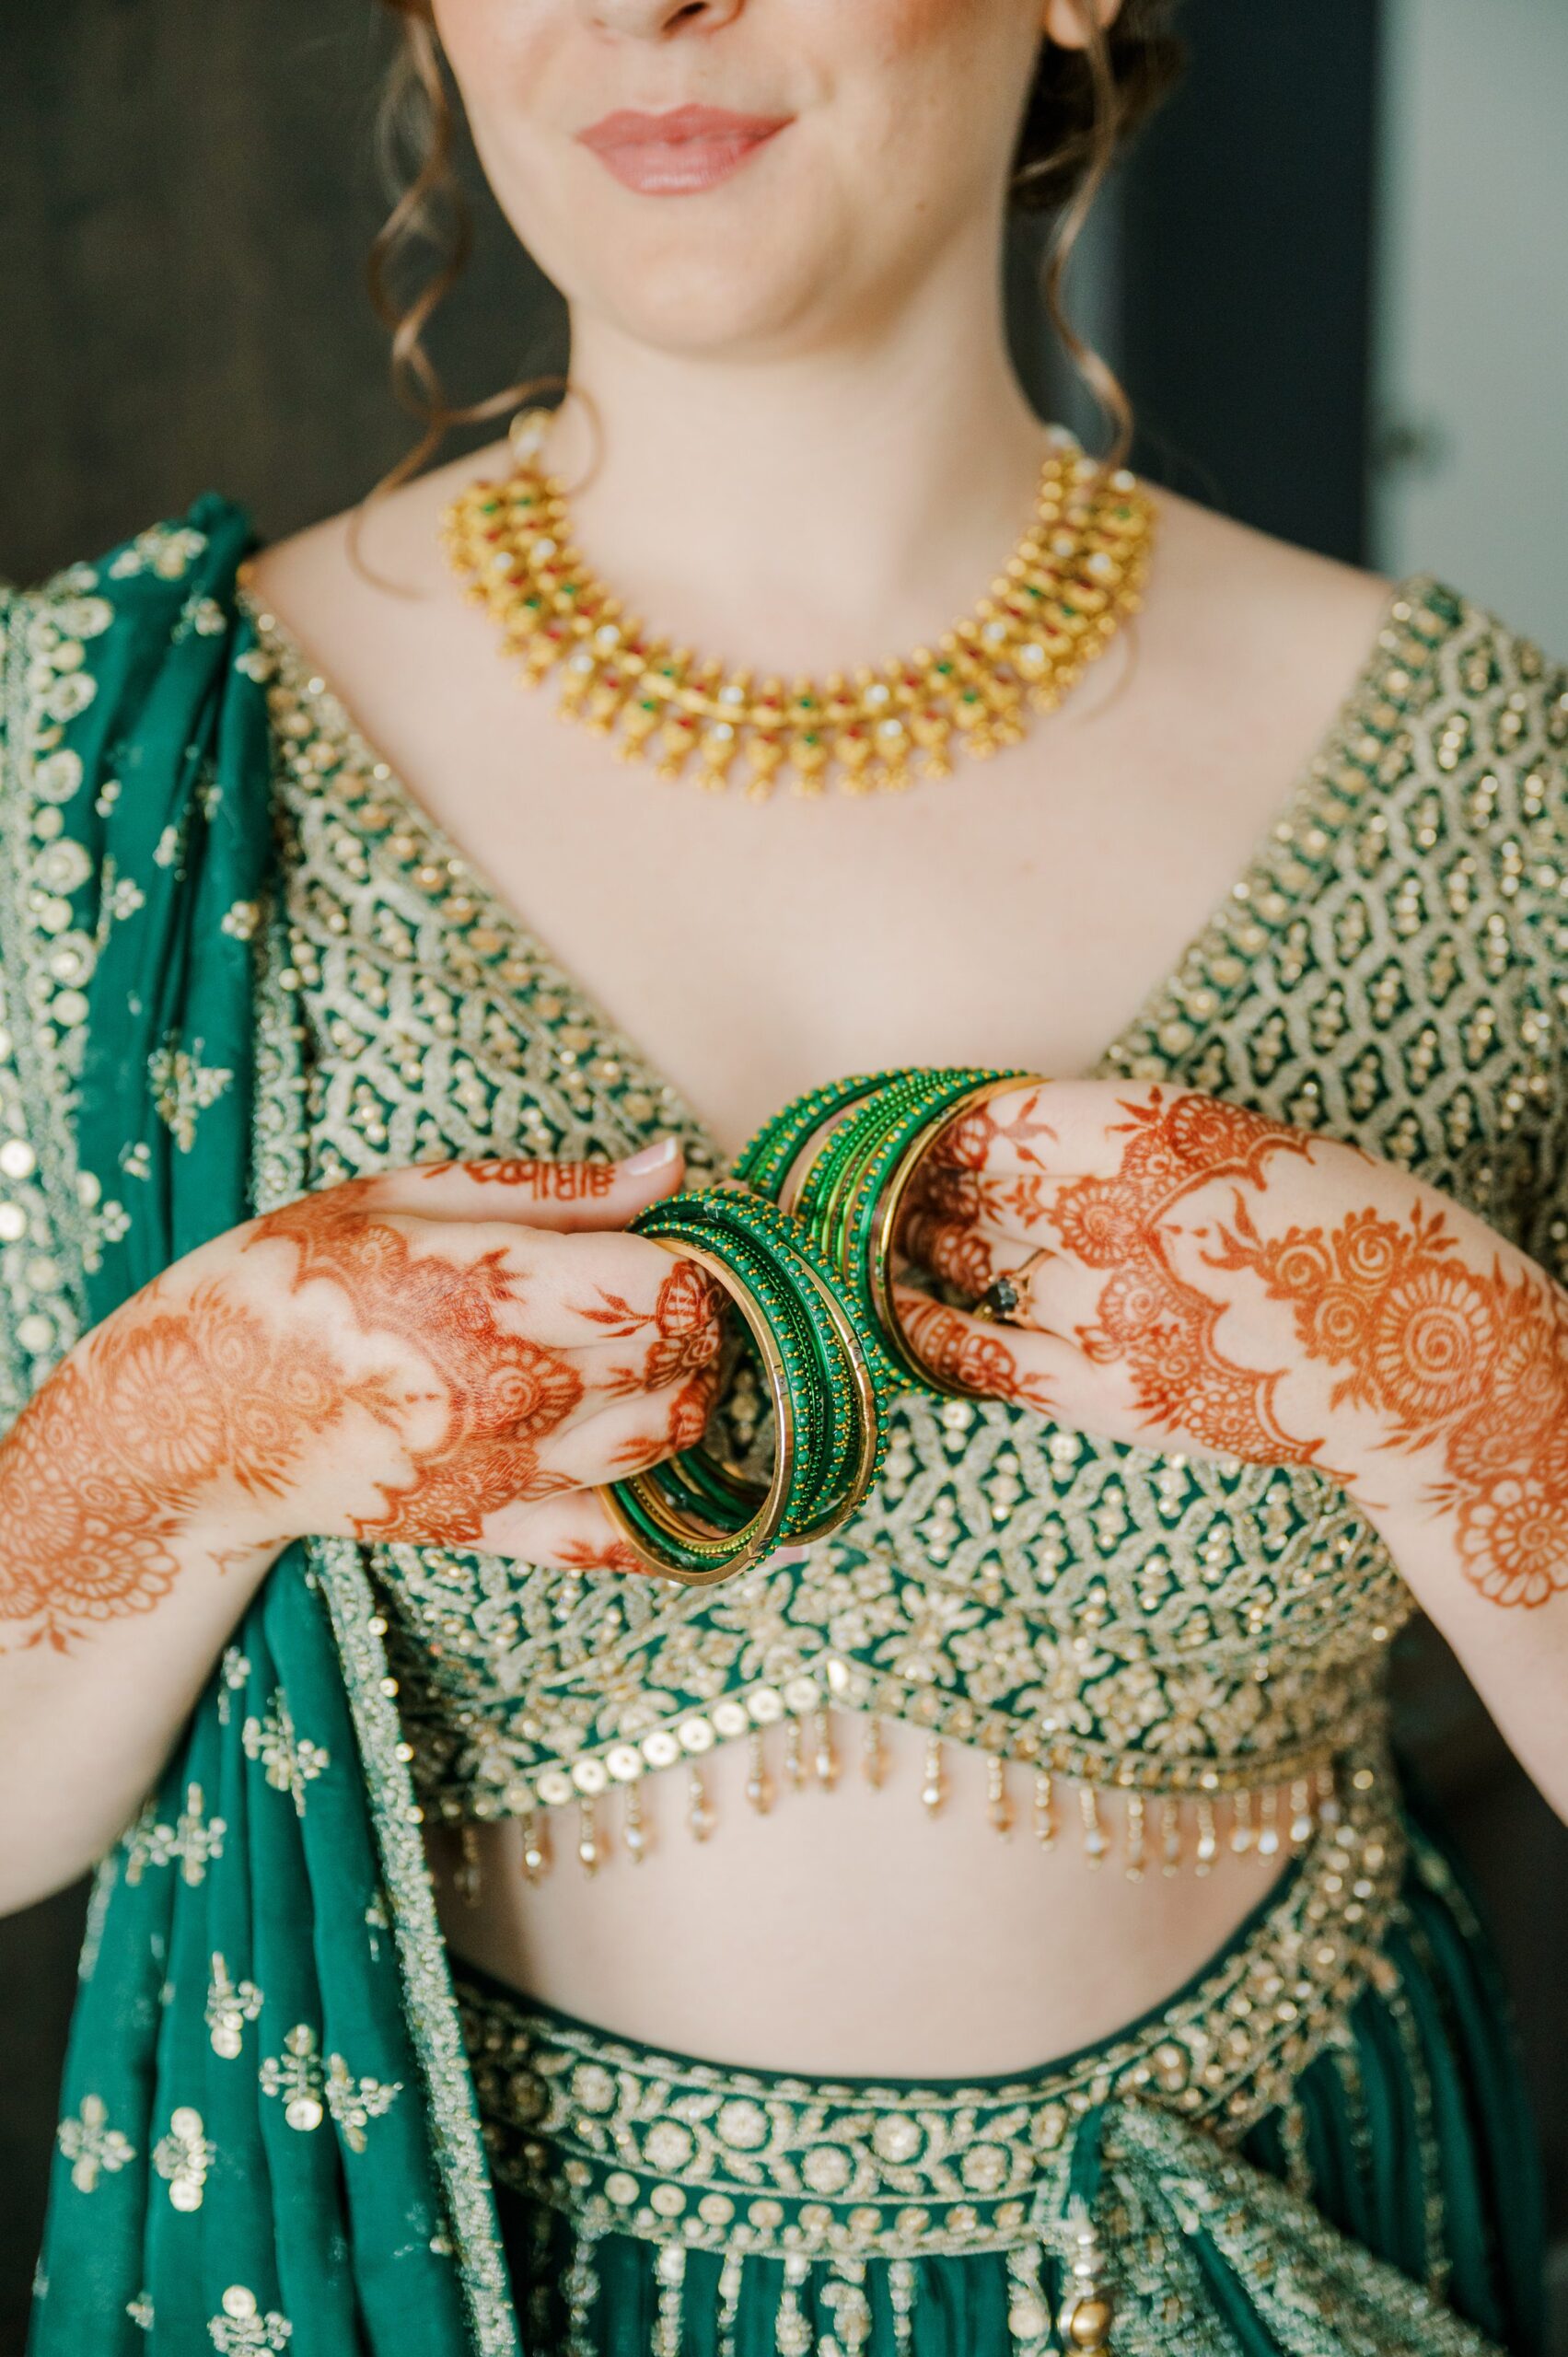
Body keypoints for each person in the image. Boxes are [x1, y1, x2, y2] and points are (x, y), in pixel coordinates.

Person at [2, 1, 1562, 2350]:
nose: (654, 7)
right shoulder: (108, 765)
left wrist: (1439, 1368)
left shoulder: (1489, 788)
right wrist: (180, 1429)